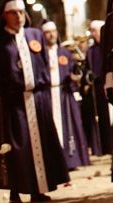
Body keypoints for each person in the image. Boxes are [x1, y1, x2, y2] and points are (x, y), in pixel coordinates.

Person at [0, 0, 69, 202]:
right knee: (16, 149)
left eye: (21, 12)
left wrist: (42, 85)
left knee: (40, 146)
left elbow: (46, 63)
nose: (19, 16)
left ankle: (38, 190)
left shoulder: (35, 35)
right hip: (12, 104)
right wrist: (4, 90)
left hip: (37, 101)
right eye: (14, 13)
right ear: (4, 16)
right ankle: (15, 191)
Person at [41, 21, 89, 171]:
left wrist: (76, 78)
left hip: (64, 94)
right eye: (48, 32)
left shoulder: (64, 53)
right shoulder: (40, 54)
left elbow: (75, 71)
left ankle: (70, 160)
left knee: (69, 126)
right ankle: (53, 162)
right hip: (48, 94)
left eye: (54, 31)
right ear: (43, 35)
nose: (52, 34)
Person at [81, 20, 110, 157]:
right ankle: (102, 147)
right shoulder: (91, 51)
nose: (93, 34)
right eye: (91, 31)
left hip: (109, 84)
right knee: (100, 118)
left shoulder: (109, 46)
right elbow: (87, 69)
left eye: (95, 30)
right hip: (97, 88)